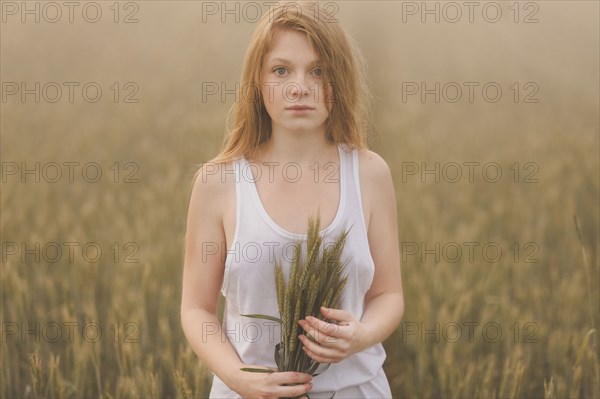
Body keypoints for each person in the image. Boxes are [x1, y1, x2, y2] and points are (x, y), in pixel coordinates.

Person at [180, 2, 404, 398]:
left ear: (339, 79)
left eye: (317, 71)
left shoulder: (369, 174)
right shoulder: (218, 182)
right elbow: (196, 308)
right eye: (281, 70)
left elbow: (388, 295)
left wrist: (361, 335)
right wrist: (239, 378)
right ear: (258, 81)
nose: (299, 86)